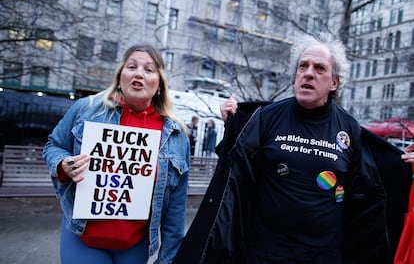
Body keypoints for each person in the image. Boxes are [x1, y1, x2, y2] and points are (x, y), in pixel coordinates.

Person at [173, 33, 412, 264]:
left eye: (319, 68)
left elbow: (371, 185)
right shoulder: (266, 118)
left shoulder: (348, 128)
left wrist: (407, 165)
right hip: (264, 254)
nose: (308, 73)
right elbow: (236, 172)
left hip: (324, 256)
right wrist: (234, 126)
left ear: (334, 82)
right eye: (302, 66)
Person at [42, 44, 190, 264]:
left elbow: (176, 210)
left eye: (149, 70)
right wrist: (63, 165)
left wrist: (168, 259)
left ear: (159, 84)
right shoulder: (86, 109)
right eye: (132, 66)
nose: (139, 73)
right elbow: (53, 146)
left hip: (134, 246)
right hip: (82, 238)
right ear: (121, 76)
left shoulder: (176, 136)